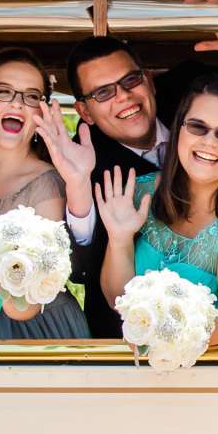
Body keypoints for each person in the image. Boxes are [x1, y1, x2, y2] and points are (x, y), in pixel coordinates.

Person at [93, 74, 218, 346]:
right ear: (179, 130)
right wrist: (119, 240)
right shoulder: (139, 192)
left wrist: (165, 330)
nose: (209, 142)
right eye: (198, 127)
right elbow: (115, 299)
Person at [0, 48, 91, 339]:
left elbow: (28, 301)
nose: (17, 104)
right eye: (4, 91)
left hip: (32, 330)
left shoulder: (48, 183)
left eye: (31, 96)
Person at [53, 35, 170, 339]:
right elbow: (80, 269)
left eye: (131, 80)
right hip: (119, 344)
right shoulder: (80, 158)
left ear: (150, 81)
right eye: (103, 92)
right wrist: (78, 183)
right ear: (85, 113)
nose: (123, 97)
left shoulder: (195, 119)